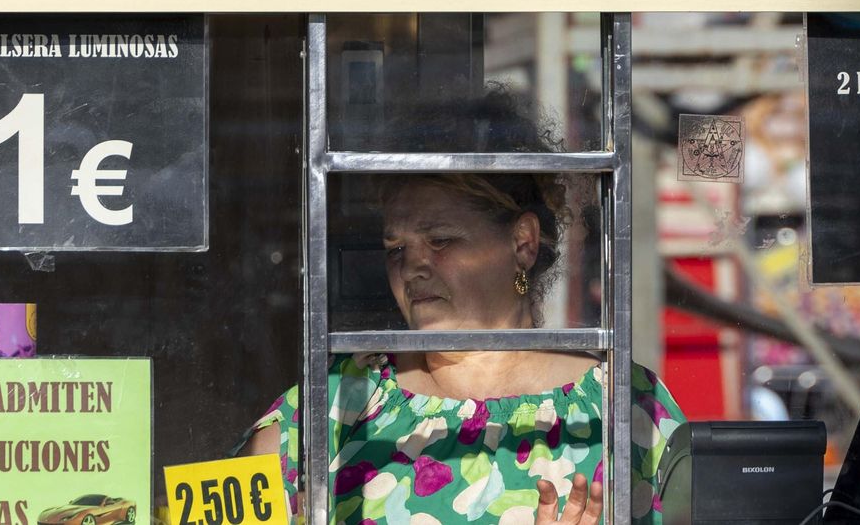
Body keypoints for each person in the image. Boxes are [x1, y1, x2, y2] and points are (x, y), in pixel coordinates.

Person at [240, 88, 685, 525]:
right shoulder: (339, 400)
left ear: (523, 243)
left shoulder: (624, 408)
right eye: (395, 248)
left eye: (441, 241)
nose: (412, 267)